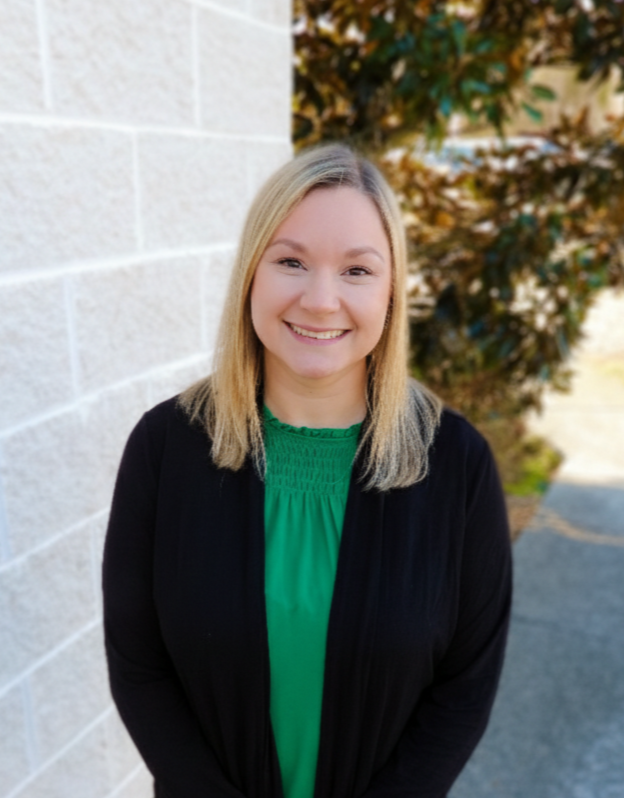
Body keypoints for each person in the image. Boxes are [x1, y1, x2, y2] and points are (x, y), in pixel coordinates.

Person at [103, 144, 512, 798]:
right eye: (291, 261)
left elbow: (464, 690)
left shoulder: (456, 465)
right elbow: (140, 668)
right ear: (252, 278)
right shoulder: (165, 449)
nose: (321, 301)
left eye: (357, 270)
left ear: (391, 290)